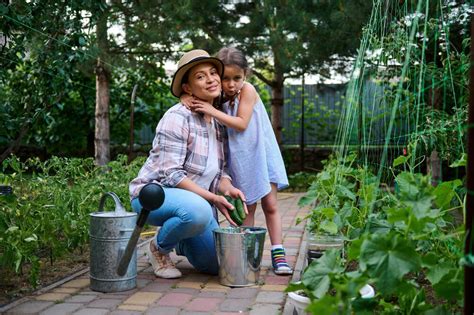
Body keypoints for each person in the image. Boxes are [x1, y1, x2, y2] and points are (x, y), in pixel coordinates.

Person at [129, 49, 246, 279]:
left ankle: (181, 238)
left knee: (216, 265)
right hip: (154, 197)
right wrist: (212, 198)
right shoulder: (177, 117)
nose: (211, 79)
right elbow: (171, 175)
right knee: (199, 210)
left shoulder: (218, 121)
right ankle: (158, 248)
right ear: (188, 88)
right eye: (200, 76)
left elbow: (220, 171)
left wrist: (227, 188)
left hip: (195, 205)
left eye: (213, 73)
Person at [181, 47, 292, 275]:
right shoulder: (217, 97)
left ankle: (279, 255)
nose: (231, 85)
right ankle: (246, 255)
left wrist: (211, 109)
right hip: (239, 160)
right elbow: (192, 95)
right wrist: (186, 97)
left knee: (270, 205)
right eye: (226, 79)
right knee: (246, 207)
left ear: (246, 75)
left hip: (260, 155)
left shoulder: (247, 91)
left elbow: (241, 123)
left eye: (237, 78)